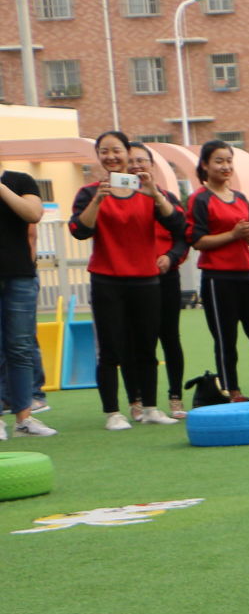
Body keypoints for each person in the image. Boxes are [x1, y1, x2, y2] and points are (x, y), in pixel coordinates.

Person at [67, 130, 174, 428]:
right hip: (107, 280)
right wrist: (99, 200)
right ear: (98, 157)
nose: (111, 156)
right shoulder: (90, 193)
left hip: (145, 279)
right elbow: (79, 229)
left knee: (146, 346)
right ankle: (113, 412)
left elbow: (175, 222)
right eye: (104, 151)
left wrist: (155, 194)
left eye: (116, 150)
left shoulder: (145, 189)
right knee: (111, 349)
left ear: (128, 154)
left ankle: (151, 407)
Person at [185, 140, 249, 401]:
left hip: (246, 274)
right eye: (219, 161)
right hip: (217, 278)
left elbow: (248, 239)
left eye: (228, 161)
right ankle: (232, 392)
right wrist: (233, 233)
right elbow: (197, 240)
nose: (225, 166)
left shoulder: (241, 198)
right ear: (204, 165)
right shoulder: (200, 199)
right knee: (226, 339)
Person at [125, 140, 192, 417]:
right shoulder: (117, 200)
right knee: (137, 341)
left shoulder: (167, 199)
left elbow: (182, 236)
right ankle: (137, 399)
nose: (136, 166)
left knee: (170, 338)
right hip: (131, 279)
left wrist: (171, 257)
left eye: (141, 160)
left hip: (165, 278)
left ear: (152, 166)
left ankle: (175, 397)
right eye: (131, 161)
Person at [0, 162, 48, 442]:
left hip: (19, 276)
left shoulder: (21, 180)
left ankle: (24, 417)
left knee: (20, 348)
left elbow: (33, 213)